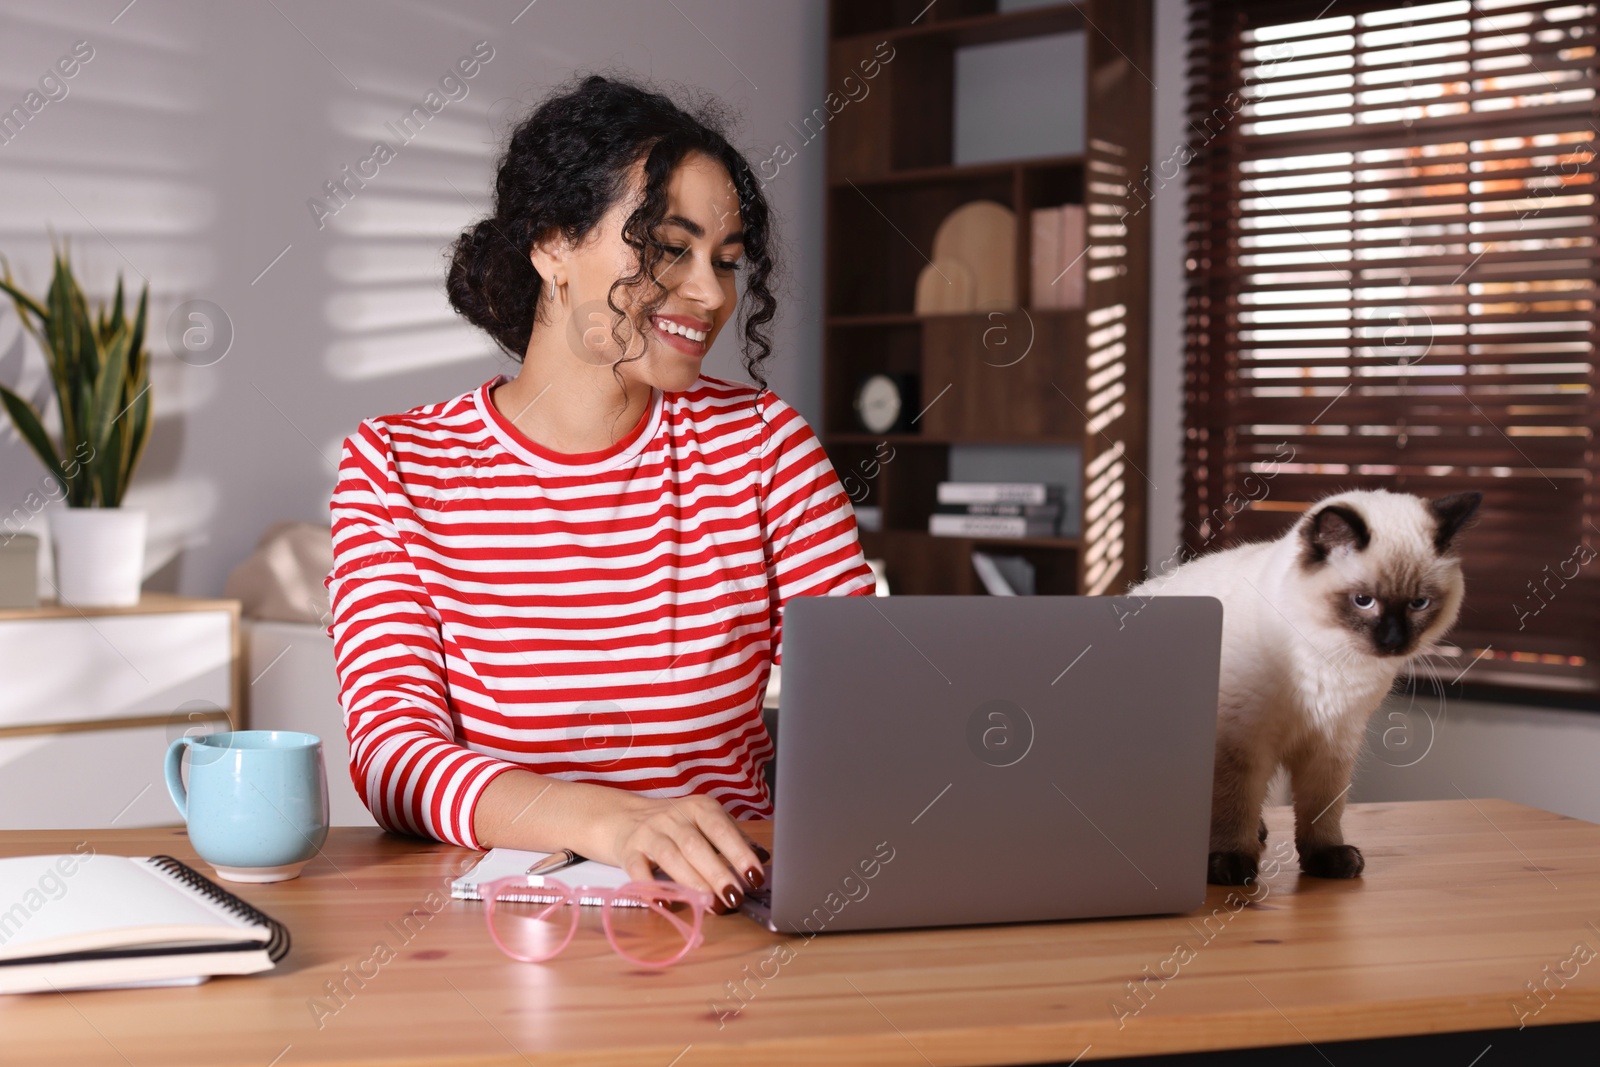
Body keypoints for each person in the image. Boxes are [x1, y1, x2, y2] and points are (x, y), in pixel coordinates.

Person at [323, 73, 875, 914]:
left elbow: (870, 710)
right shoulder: (398, 465)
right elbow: (394, 759)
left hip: (734, 917)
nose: (711, 293)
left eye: (726, 261)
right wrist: (613, 823)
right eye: (666, 246)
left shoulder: (764, 447)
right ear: (551, 245)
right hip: (506, 937)